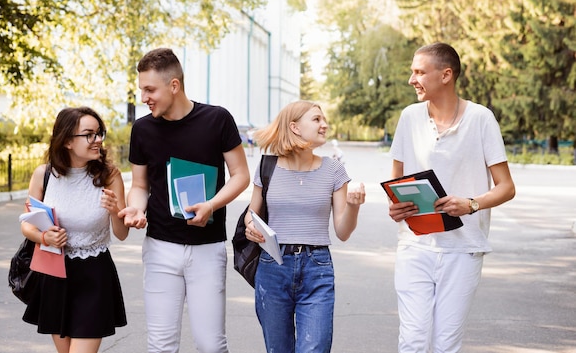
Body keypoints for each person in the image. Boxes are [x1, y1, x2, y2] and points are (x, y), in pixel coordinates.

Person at [117, 47, 250, 353]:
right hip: (160, 248)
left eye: (150, 89)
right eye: (141, 90)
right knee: (161, 346)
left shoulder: (217, 120)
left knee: (211, 345)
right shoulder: (143, 129)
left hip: (208, 249)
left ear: (173, 85)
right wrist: (136, 209)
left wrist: (211, 205)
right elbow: (139, 185)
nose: (144, 97)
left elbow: (241, 175)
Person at [387, 42, 516, 353]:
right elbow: (396, 181)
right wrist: (396, 207)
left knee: (446, 344)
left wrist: (470, 204)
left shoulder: (481, 118)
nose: (412, 79)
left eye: (419, 72)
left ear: (446, 75)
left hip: (463, 249)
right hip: (415, 245)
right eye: (412, 72)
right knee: (413, 340)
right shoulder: (410, 117)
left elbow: (506, 187)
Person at [243, 100, 366, 353]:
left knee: (315, 348)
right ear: (295, 127)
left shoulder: (334, 170)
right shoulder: (267, 167)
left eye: (324, 119)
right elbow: (251, 214)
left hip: (317, 268)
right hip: (272, 268)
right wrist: (249, 227)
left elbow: (342, 232)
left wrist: (354, 206)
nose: (325, 125)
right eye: (317, 119)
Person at [21, 106, 145, 353]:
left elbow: (121, 233)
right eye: (89, 134)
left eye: (99, 133)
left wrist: (113, 210)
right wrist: (45, 236)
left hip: (94, 275)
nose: (97, 140)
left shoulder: (109, 176)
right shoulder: (44, 175)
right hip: (54, 274)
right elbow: (27, 224)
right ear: (67, 140)